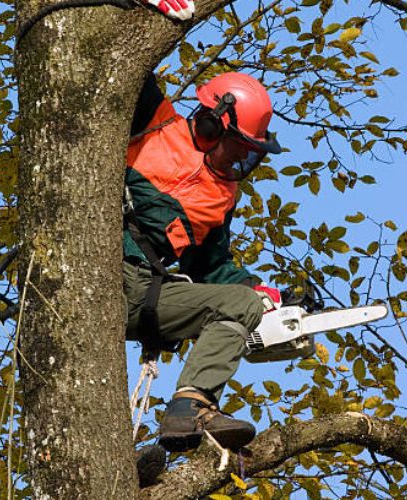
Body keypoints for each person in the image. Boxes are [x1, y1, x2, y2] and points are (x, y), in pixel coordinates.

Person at [124, 69, 283, 459]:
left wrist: (255, 290)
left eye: (252, 149)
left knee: (241, 304)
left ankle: (189, 408)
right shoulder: (155, 121)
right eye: (240, 144)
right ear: (213, 124)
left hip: (143, 292)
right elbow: (127, 70)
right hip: (105, 267)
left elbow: (211, 267)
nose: (246, 155)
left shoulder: (221, 197)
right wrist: (141, 6)